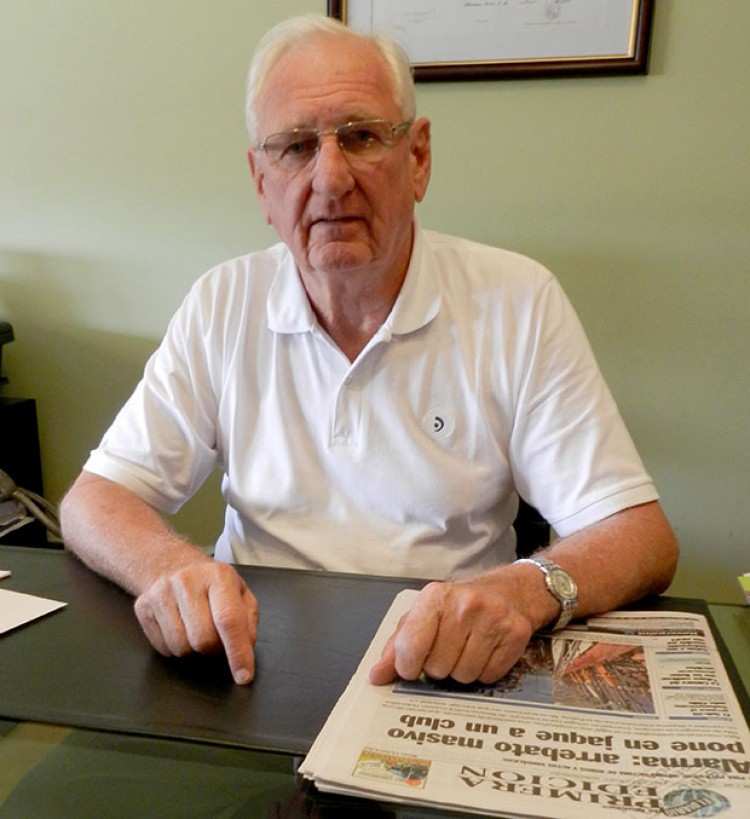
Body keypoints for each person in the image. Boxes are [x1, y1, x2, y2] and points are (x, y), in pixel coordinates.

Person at [60, 14, 678, 688]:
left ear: (418, 158)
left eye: (360, 137)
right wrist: (171, 568)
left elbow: (640, 536)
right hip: (252, 665)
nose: (330, 179)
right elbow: (94, 499)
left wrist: (525, 589)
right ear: (261, 182)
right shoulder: (223, 302)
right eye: (295, 147)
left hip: (445, 668)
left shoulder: (517, 300)